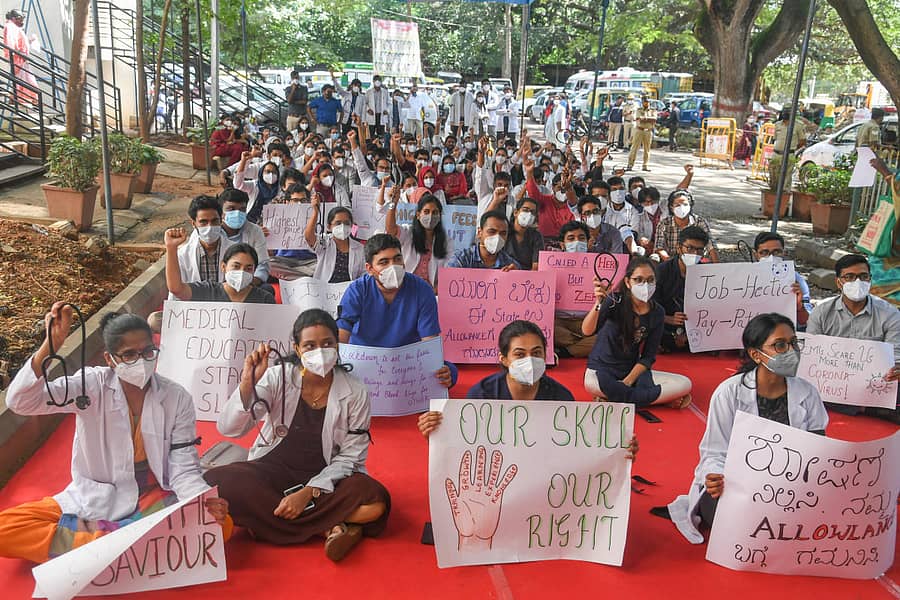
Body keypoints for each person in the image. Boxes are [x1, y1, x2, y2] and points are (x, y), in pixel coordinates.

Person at [0, 305, 229, 563]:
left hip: (152, 493)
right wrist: (49, 347)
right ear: (110, 359)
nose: (141, 360)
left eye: (147, 351)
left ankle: (104, 546)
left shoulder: (176, 397)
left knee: (222, 524)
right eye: (129, 355)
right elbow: (21, 401)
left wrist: (200, 500)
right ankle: (120, 541)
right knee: (5, 528)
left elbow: (183, 467)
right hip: (98, 496)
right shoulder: (92, 385)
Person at [206, 309, 389, 560]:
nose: (320, 351)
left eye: (327, 343)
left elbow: (350, 457)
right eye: (310, 345)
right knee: (214, 482)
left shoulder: (355, 391)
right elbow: (230, 428)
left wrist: (308, 493)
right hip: (271, 470)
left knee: (376, 501)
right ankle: (326, 527)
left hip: (326, 477)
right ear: (297, 348)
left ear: (338, 345)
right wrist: (248, 381)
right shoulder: (277, 376)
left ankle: (267, 523)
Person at [666, 313, 827, 543]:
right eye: (779, 345)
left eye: (793, 343)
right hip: (739, 486)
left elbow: (818, 450)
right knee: (730, 520)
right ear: (755, 354)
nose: (791, 351)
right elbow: (714, 453)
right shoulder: (729, 393)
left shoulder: (807, 393)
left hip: (790, 488)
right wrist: (715, 478)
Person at [417, 320, 639, 465]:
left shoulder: (561, 399)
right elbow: (464, 448)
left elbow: (576, 453)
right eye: (520, 354)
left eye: (536, 353)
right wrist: (436, 434)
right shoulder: (482, 396)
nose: (530, 361)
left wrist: (616, 447)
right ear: (503, 359)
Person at [337, 234, 455, 386]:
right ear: (370, 269)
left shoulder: (422, 290)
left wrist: (437, 369)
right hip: (365, 364)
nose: (393, 267)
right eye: (384, 262)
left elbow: (429, 342)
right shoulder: (357, 290)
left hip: (406, 365)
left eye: (397, 259)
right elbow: (342, 337)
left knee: (448, 371)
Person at [582, 256, 693, 407]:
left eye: (650, 280)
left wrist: (627, 382)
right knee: (590, 384)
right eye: (638, 280)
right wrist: (598, 303)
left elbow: (648, 357)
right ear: (628, 282)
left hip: (632, 372)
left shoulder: (658, 312)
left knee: (684, 384)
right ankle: (651, 400)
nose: (645, 285)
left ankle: (617, 397)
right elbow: (587, 331)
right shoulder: (614, 301)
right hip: (601, 370)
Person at [806, 254, 900, 423]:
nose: (857, 282)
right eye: (849, 277)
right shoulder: (821, 313)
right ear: (838, 282)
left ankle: (863, 406)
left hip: (875, 384)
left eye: (863, 277)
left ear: (870, 279)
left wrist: (896, 369)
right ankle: (870, 409)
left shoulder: (890, 314)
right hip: (832, 383)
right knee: (801, 383)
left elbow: (896, 356)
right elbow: (811, 355)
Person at [166, 229, 275, 303]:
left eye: (248, 268)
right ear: (223, 267)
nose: (242, 272)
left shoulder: (264, 299)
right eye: (236, 266)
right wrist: (171, 248)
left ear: (254, 271)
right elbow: (176, 289)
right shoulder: (208, 291)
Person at [653, 226, 709, 352]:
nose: (694, 254)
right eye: (690, 248)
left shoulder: (708, 274)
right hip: (666, 329)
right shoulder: (661, 272)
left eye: (699, 250)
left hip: (698, 331)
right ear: (679, 248)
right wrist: (669, 319)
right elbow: (648, 307)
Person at [382, 190, 449, 289]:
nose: (430, 216)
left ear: (439, 217)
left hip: (430, 292)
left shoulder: (446, 241)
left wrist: (437, 289)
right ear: (418, 215)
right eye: (426, 212)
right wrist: (393, 204)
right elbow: (391, 230)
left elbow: (449, 268)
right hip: (406, 287)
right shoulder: (408, 232)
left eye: (435, 212)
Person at [752, 232, 812, 328]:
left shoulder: (796, 281)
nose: (771, 257)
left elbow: (806, 323)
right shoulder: (744, 279)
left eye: (776, 252)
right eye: (764, 253)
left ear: (783, 253)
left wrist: (799, 306)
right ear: (755, 255)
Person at [175, 194, 235, 285]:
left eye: (214, 221)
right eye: (203, 222)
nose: (210, 226)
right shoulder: (183, 255)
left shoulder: (235, 251)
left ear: (221, 220)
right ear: (194, 224)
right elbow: (177, 290)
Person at [219, 188, 271, 287]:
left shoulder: (255, 231)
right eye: (231, 209)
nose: (237, 213)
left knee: (267, 289)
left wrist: (252, 283)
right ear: (221, 211)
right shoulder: (211, 231)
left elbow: (263, 263)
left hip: (248, 282)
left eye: (242, 209)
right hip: (219, 283)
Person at [304, 198, 365, 283]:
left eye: (347, 223)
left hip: (349, 290)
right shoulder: (324, 243)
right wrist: (315, 212)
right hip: (324, 289)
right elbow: (308, 237)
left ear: (352, 226)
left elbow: (363, 273)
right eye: (338, 223)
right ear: (329, 226)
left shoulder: (360, 248)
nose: (342, 226)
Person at [654, 189, 719, 262]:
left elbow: (710, 246)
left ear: (690, 206)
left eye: (685, 204)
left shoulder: (700, 222)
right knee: (654, 258)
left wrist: (717, 266)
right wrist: (670, 262)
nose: (681, 208)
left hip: (695, 259)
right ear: (671, 208)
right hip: (670, 260)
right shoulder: (664, 224)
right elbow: (659, 247)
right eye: (677, 205)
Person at [446, 210, 520, 270]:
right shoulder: (461, 259)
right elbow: (447, 284)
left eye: (503, 233)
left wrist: (516, 277)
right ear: (479, 233)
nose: (497, 237)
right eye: (492, 231)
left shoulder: (511, 265)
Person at [232, 153, 282, 223]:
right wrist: (244, 161)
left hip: (273, 222)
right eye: (268, 172)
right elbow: (238, 185)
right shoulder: (254, 185)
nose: (271, 174)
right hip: (252, 220)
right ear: (262, 173)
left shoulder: (280, 189)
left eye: (274, 172)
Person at [3, 9, 37, 105]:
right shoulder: (10, 26)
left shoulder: (14, 27)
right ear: (14, 19)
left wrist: (30, 41)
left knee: (23, 79)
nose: (22, 21)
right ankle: (31, 99)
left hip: (21, 57)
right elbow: (10, 41)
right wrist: (13, 52)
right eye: (19, 19)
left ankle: (15, 98)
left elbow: (20, 41)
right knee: (24, 79)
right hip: (18, 58)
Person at [506, 198, 544, 271]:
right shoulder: (504, 232)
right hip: (503, 274)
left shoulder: (536, 236)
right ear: (515, 213)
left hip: (526, 278)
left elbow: (535, 267)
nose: (529, 214)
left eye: (533, 212)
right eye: (525, 210)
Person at [627, 97, 657, 172]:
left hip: (648, 131)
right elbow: (638, 118)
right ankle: (630, 164)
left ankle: (645, 165)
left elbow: (654, 119)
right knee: (634, 148)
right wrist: (648, 119)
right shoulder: (639, 110)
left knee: (647, 149)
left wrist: (645, 118)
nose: (646, 103)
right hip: (639, 130)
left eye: (647, 102)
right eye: (644, 102)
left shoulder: (653, 110)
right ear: (642, 102)